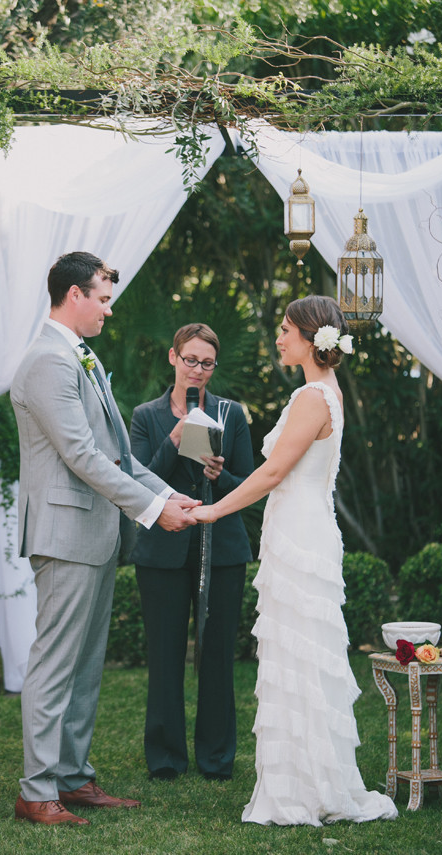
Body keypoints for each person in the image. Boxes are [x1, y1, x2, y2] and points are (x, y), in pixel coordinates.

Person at [188, 296, 398, 826]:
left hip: (301, 534)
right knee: (298, 654)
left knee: (299, 654)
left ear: (311, 337)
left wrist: (213, 510)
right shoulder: (327, 391)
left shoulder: (311, 396)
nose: (279, 338)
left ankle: (303, 789)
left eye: (286, 330)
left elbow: (272, 472)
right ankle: (309, 781)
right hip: (304, 526)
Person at [10, 251, 198, 826]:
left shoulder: (80, 356)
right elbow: (82, 455)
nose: (108, 311)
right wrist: (152, 511)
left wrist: (170, 496)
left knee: (86, 666)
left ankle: (71, 778)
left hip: (92, 534)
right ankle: (36, 791)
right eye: (103, 298)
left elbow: (118, 454)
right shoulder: (49, 360)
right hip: (64, 535)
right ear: (75, 295)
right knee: (54, 665)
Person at [130, 323, 254, 781]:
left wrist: (220, 476)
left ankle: (216, 756)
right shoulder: (146, 415)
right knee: (164, 655)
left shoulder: (231, 413)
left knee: (217, 653)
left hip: (222, 548)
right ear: (173, 357)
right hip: (161, 551)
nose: (198, 370)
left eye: (207, 363)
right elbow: (138, 480)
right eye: (190, 360)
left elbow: (249, 485)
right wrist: (175, 439)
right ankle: (165, 757)